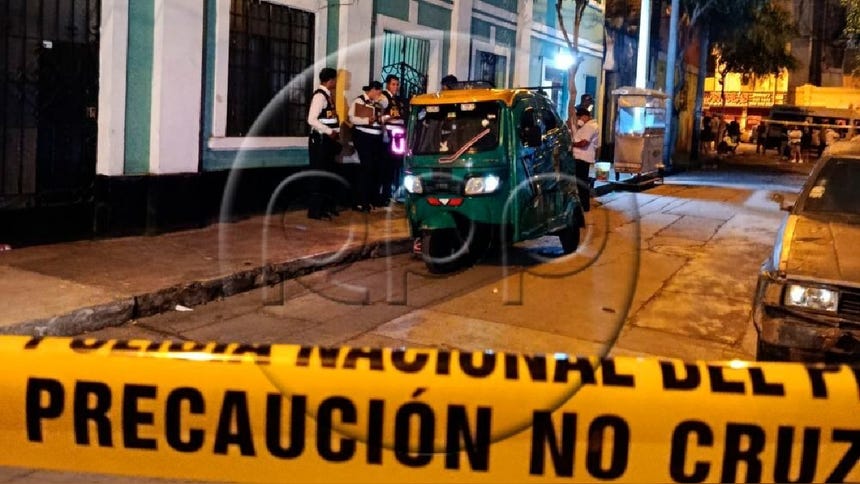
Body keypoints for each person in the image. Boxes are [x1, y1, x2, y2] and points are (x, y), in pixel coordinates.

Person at [306, 67, 341, 220]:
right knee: (319, 175)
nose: (336, 82)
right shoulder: (319, 97)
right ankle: (315, 211)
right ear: (330, 80)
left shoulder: (328, 96)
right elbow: (311, 120)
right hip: (320, 140)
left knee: (327, 174)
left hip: (328, 141)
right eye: (335, 80)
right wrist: (329, 131)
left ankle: (324, 207)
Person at [349, 80, 385, 211]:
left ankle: (371, 199)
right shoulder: (359, 101)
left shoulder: (378, 103)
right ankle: (361, 201)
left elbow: (381, 115)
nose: (380, 94)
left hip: (376, 138)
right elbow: (351, 118)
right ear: (373, 90)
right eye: (379, 92)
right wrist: (366, 120)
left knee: (375, 168)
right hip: (364, 137)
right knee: (366, 168)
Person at [379, 74, 406, 204]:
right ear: (387, 85)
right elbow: (380, 117)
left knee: (396, 164)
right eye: (393, 84)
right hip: (390, 133)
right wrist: (389, 118)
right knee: (387, 165)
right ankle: (384, 194)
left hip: (399, 134)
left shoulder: (398, 99)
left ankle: (393, 193)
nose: (395, 87)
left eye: (397, 84)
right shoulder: (384, 98)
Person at [572, 107, 599, 212]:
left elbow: (584, 143)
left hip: (582, 158)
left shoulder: (590, 126)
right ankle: (583, 205)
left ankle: (584, 206)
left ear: (584, 116)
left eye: (579, 117)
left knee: (581, 182)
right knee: (580, 182)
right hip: (580, 158)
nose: (579, 119)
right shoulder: (587, 126)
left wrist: (571, 144)